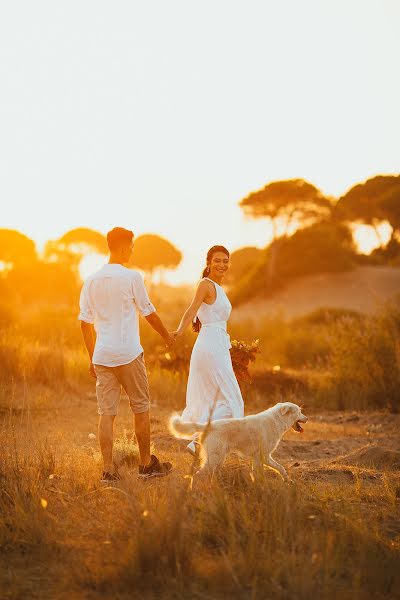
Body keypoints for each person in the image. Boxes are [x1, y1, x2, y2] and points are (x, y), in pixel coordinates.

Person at [79, 227, 174, 482]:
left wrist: (92, 357)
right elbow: (149, 312)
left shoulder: (91, 280)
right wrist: (167, 336)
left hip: (102, 356)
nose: (132, 250)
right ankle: (145, 466)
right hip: (129, 354)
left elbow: (84, 323)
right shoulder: (132, 277)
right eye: (131, 246)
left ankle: (108, 471)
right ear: (122, 247)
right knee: (140, 409)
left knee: (106, 414)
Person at [173, 245, 244, 454]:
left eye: (225, 261)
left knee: (219, 398)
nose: (222, 264)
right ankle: (200, 442)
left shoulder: (220, 289)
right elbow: (191, 310)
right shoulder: (206, 284)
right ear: (208, 263)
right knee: (231, 400)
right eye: (217, 260)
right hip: (210, 345)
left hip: (218, 345)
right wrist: (178, 332)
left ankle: (200, 444)